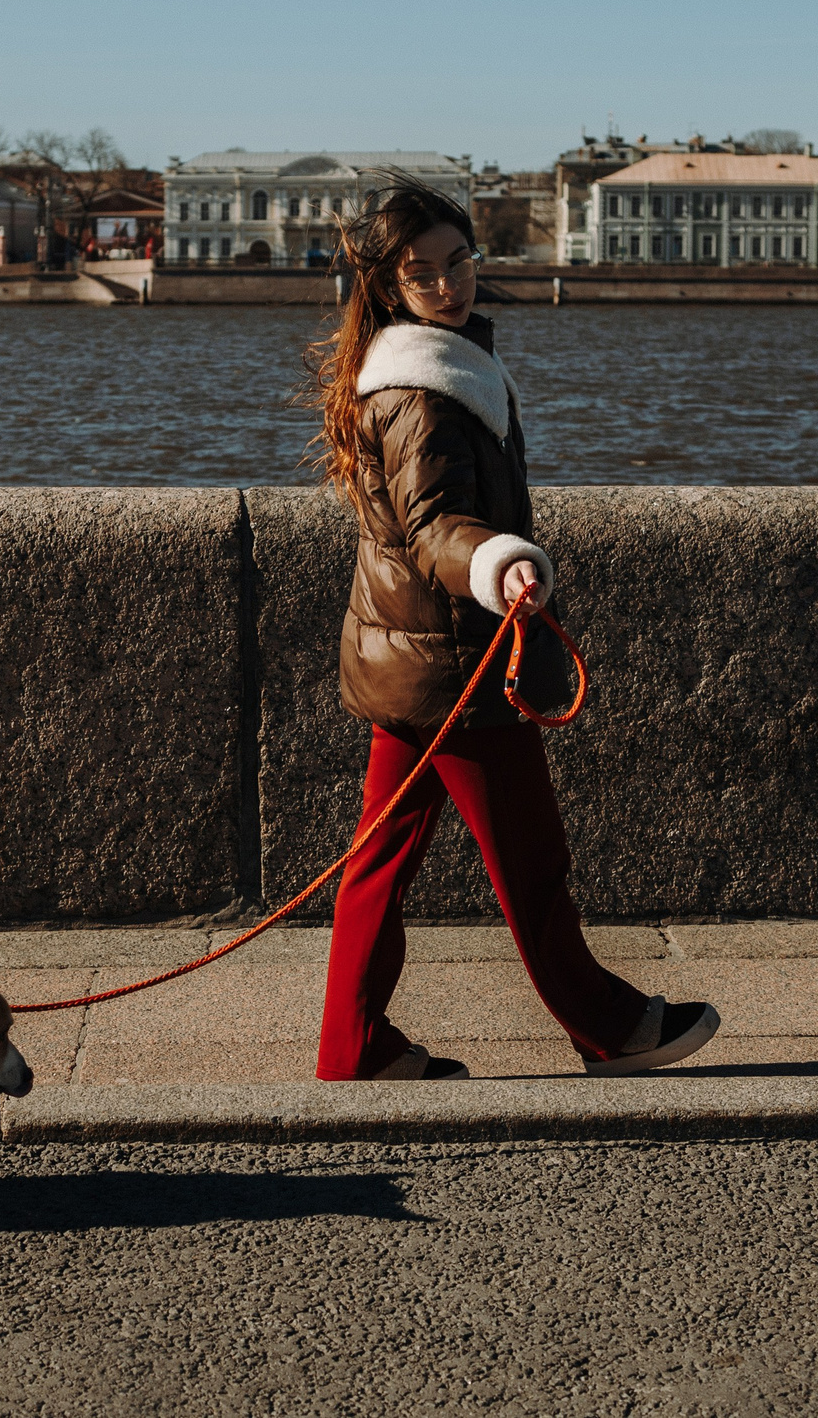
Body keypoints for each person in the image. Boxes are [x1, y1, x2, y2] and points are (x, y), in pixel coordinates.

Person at [303, 174, 720, 1082]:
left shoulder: (412, 367)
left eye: (461, 262)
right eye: (425, 274)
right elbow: (434, 525)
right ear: (389, 287)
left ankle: (354, 1047)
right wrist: (498, 560)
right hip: (456, 664)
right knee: (533, 866)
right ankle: (612, 1028)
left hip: (402, 657)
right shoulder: (423, 391)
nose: (451, 285)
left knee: (378, 863)